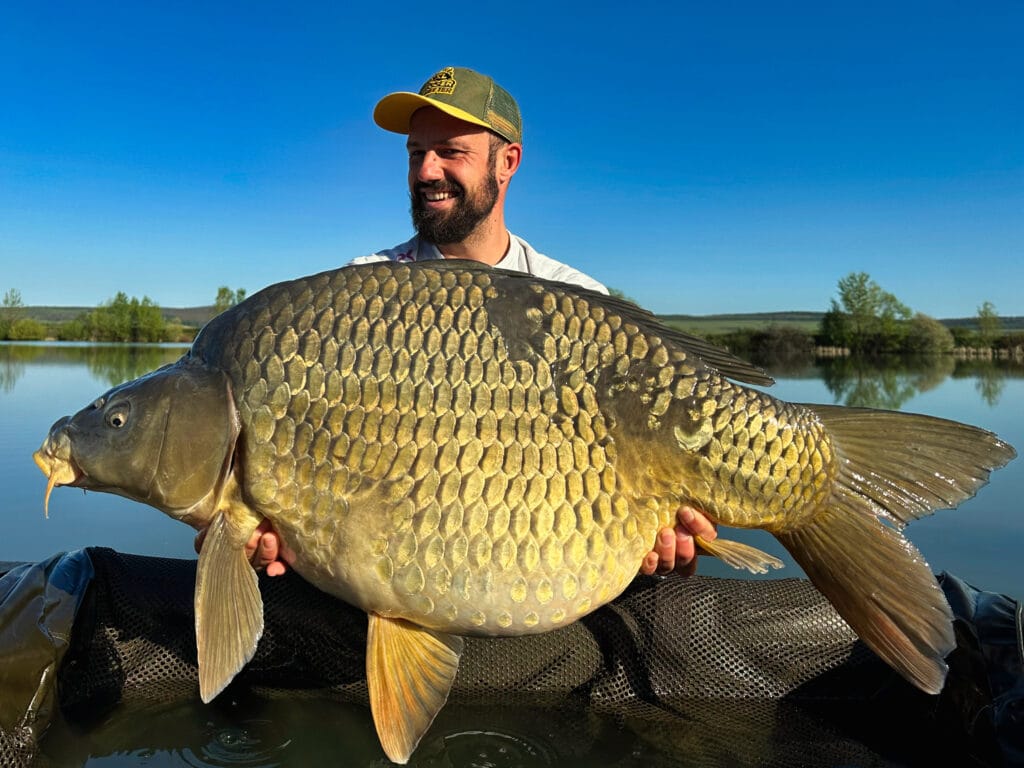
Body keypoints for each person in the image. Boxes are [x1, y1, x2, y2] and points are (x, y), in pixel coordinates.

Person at [201, 66, 718, 579]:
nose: (426, 171)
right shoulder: (361, 293)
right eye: (415, 153)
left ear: (506, 162)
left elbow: (646, 495)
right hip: (394, 580)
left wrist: (669, 552)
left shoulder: (580, 301)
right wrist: (254, 526)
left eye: (450, 152)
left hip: (533, 581)